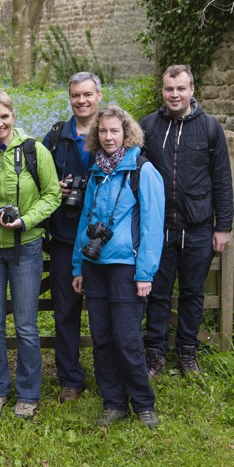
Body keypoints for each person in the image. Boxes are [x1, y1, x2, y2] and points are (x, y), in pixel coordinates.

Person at [70, 104, 164, 429]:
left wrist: (145, 273)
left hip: (127, 267)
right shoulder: (97, 172)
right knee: (102, 338)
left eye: (114, 131)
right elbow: (86, 220)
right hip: (95, 267)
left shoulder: (142, 170)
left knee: (127, 339)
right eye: (103, 131)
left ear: (127, 133)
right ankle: (114, 402)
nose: (108, 137)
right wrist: (78, 266)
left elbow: (153, 225)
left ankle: (143, 403)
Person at [140, 65, 233, 378]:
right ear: (163, 91)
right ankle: (154, 354)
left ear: (192, 90)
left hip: (198, 227)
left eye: (181, 88)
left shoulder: (209, 128)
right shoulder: (149, 127)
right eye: (169, 89)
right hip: (159, 228)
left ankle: (187, 352)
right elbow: (133, 169)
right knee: (157, 293)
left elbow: (222, 178)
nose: (174, 95)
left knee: (193, 293)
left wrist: (224, 227)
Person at [0, 90, 61, 419]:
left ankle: (28, 392)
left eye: (3, 116)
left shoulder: (34, 150)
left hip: (26, 246)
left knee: (26, 324)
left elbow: (52, 194)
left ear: (13, 115)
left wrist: (25, 220)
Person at [42, 72, 103, 404]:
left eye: (88, 94)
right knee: (65, 310)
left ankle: (106, 371)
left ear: (99, 95)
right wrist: (57, 188)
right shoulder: (55, 138)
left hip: (102, 238)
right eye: (76, 95)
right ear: (69, 97)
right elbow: (37, 182)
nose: (82, 100)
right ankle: (70, 378)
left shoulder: (111, 132)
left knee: (102, 308)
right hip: (66, 237)